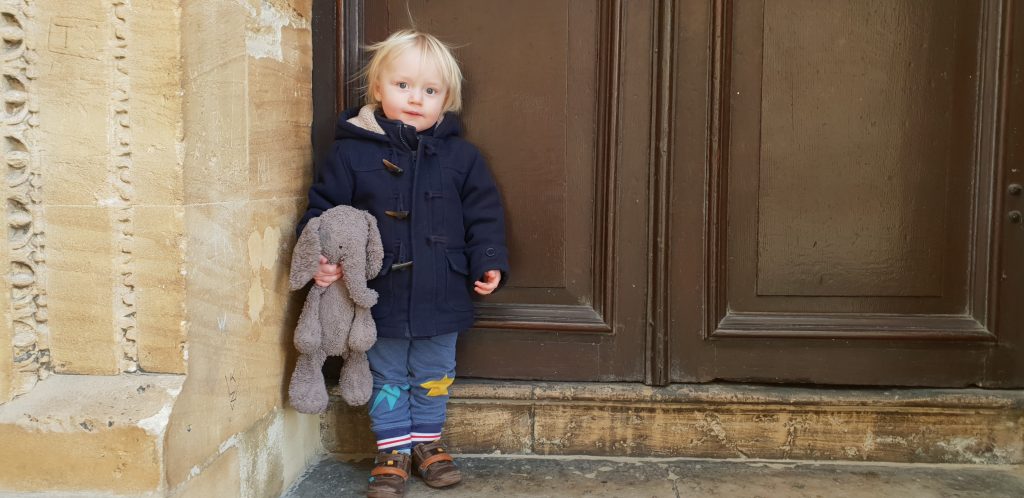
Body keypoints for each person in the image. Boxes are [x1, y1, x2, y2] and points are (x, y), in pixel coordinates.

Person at [297, 29, 509, 498]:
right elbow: (325, 213)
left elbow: (484, 213)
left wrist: (488, 260)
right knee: (385, 370)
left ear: (446, 100)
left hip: (444, 285)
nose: (416, 99)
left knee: (436, 369)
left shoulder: (461, 157)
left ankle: (427, 442)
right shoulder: (350, 153)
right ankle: (391, 448)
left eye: (430, 91)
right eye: (403, 86)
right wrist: (323, 260)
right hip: (376, 292)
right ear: (377, 89)